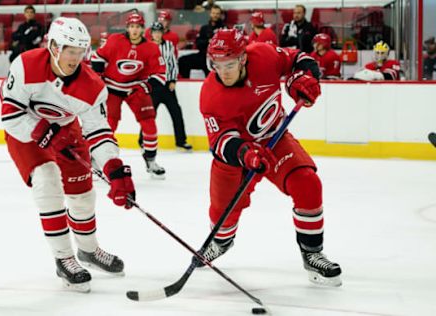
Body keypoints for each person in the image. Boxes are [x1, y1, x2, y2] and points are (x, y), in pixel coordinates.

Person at [0, 17, 136, 293]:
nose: (75, 58)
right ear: (53, 46)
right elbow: (11, 115)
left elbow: (99, 131)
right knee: (47, 179)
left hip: (64, 128)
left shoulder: (93, 86)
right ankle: (64, 258)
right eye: (69, 50)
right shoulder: (26, 64)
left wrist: (114, 168)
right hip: (25, 128)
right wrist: (42, 131)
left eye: (80, 51)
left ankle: (88, 250)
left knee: (83, 195)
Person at [197, 28, 342, 287]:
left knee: (307, 183)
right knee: (223, 214)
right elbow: (220, 143)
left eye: (229, 63)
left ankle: (312, 254)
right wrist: (246, 154)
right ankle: (220, 241)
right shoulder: (210, 94)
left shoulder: (263, 54)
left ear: (243, 58)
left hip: (275, 139)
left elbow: (297, 58)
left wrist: (304, 78)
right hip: (236, 158)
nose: (223, 71)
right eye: (216, 64)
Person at [91, 13, 167, 179]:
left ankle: (151, 160)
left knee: (150, 126)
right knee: (110, 125)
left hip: (136, 89)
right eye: (132, 26)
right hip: (112, 88)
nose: (134, 30)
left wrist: (144, 86)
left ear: (142, 29)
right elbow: (97, 56)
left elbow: (161, 73)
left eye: (138, 27)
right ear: (127, 27)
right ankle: (99, 159)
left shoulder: (151, 48)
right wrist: (98, 77)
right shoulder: (115, 40)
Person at [140, 22, 192, 152]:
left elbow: (173, 64)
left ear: (162, 33)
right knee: (149, 115)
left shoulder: (168, 45)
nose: (157, 34)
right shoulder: (145, 46)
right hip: (153, 85)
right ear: (151, 33)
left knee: (176, 113)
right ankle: (142, 140)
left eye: (159, 32)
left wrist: (173, 80)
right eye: (155, 32)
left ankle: (181, 141)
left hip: (167, 86)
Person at [178, 5, 225, 78]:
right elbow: (198, 43)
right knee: (183, 60)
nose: (215, 15)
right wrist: (208, 41)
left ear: (220, 15)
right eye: (213, 13)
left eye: (217, 13)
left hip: (217, 58)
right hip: (203, 56)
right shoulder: (205, 28)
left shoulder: (224, 29)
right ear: (210, 13)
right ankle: (185, 83)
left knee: (212, 72)